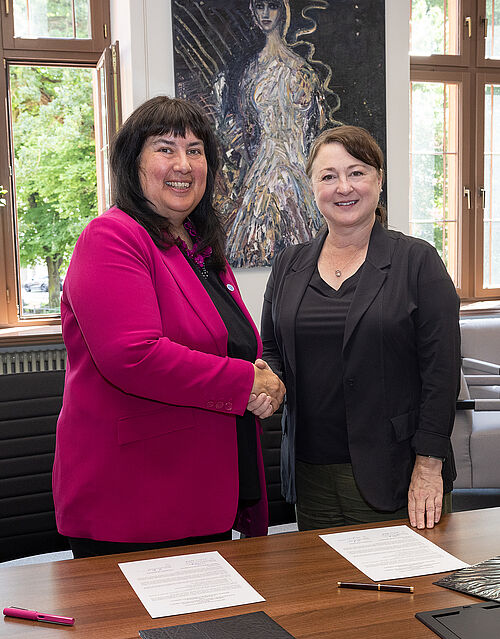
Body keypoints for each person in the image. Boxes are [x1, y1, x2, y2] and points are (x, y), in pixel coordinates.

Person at [53, 96, 284, 558]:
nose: (183, 163)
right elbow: (133, 356)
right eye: (165, 148)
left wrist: (266, 381)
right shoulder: (112, 236)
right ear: (132, 163)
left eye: (196, 150)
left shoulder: (197, 246)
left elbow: (229, 344)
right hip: (136, 500)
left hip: (201, 491)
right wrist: (246, 382)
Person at [261, 125, 461, 531]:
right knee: (326, 593)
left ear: (379, 180)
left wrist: (428, 465)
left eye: (356, 172)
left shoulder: (417, 262)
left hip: (397, 471)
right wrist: (270, 382)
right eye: (328, 176)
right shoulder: (288, 264)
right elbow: (272, 350)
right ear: (313, 186)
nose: (343, 187)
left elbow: (441, 374)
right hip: (309, 474)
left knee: (407, 591)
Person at [215, 0, 334, 267]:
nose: (266, 13)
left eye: (272, 6)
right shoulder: (249, 72)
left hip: (297, 170)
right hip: (262, 170)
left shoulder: (302, 71)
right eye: (259, 6)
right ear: (252, 12)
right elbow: (243, 133)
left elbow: (315, 133)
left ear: (283, 11)